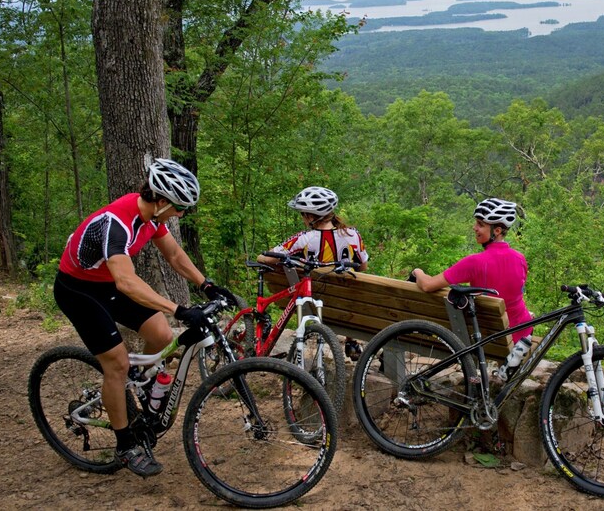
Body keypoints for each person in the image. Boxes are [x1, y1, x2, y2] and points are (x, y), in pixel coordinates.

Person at [53, 158, 235, 477]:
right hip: (78, 290)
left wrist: (206, 285)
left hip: (106, 284)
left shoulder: (152, 217)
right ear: (162, 200)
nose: (182, 214)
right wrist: (179, 309)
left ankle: (138, 388)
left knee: (163, 336)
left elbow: (175, 255)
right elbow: (126, 282)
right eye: (180, 207)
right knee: (118, 363)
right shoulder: (117, 223)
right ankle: (125, 446)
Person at [411, 198, 533, 381]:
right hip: (518, 334)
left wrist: (418, 271)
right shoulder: (520, 259)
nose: (475, 228)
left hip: (487, 337)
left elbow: (428, 285)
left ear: (497, 231)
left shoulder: (473, 263)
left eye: (480, 224)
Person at [257, 186, 369, 359]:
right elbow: (363, 267)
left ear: (310, 217)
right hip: (347, 311)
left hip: (313, 307)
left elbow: (264, 258)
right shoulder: (353, 235)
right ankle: (351, 340)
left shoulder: (303, 239)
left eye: (302, 214)